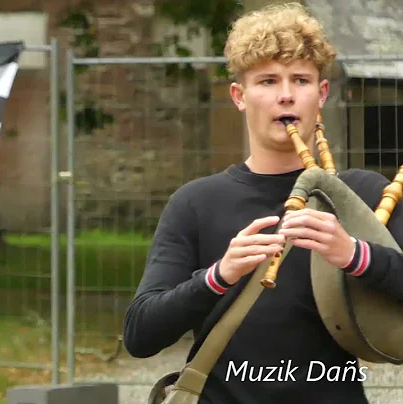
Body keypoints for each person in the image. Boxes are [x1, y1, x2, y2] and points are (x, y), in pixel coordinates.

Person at [123, 3, 403, 404]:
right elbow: (140, 335)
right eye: (268, 81)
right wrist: (218, 276)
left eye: (301, 80)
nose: (286, 96)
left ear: (321, 94)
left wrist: (355, 255)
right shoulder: (195, 202)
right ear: (239, 95)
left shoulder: (362, 194)